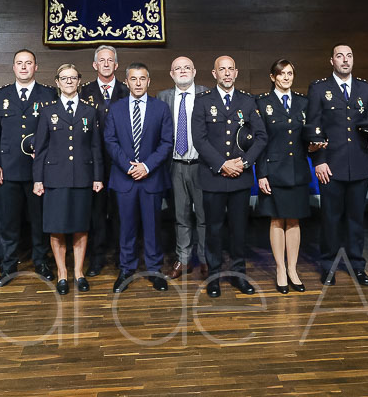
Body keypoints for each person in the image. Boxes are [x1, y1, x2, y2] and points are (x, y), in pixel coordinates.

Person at [306, 44, 368, 287]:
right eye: (340, 56)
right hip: (331, 165)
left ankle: (357, 265)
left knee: (356, 220)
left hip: (359, 163)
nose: (345, 60)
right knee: (330, 219)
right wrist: (318, 162)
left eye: (349, 56)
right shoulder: (319, 88)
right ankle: (328, 265)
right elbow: (313, 128)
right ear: (332, 60)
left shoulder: (365, 87)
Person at [192, 56, 268, 298]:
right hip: (214, 177)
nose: (226, 74)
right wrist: (222, 164)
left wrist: (244, 163)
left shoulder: (247, 101)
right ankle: (214, 276)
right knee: (213, 230)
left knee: (239, 230)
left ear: (236, 73)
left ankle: (238, 275)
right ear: (214, 74)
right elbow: (199, 139)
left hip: (240, 178)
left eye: (230, 69)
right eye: (221, 69)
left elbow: (261, 136)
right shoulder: (203, 101)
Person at [0, 49, 56, 286]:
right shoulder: (0, 95)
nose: (24, 67)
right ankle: (8, 266)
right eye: (19, 63)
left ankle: (41, 261)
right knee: (9, 221)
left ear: (36, 67)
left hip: (39, 172)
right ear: (13, 68)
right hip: (8, 170)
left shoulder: (48, 93)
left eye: (28, 63)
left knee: (39, 220)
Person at [32, 64, 104, 295]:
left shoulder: (90, 111)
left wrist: (98, 177)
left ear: (79, 81)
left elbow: (96, 147)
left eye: (73, 78)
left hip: (82, 176)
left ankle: (79, 272)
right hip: (55, 177)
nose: (69, 82)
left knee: (80, 228)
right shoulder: (47, 111)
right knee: (57, 228)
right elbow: (40, 149)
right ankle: (62, 274)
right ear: (57, 82)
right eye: (65, 78)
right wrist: (38, 179)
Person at [103, 62, 174, 293]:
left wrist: (146, 166)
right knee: (126, 226)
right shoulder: (116, 108)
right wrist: (128, 166)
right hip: (124, 179)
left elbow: (166, 143)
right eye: (133, 79)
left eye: (142, 78)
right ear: (127, 82)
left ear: (149, 81)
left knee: (153, 226)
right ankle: (126, 269)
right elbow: (110, 141)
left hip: (151, 178)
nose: (138, 83)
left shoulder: (160, 108)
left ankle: (154, 269)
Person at [254, 59, 310, 294]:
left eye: (289, 73)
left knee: (294, 220)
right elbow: (259, 141)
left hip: (296, 169)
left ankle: (293, 269)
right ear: (272, 77)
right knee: (277, 219)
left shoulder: (303, 102)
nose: (286, 77)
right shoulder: (262, 103)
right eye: (281, 74)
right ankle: (279, 269)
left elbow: (309, 135)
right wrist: (262, 173)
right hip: (274, 170)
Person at [157, 56, 208, 279]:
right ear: (171, 73)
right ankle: (183, 259)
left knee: (205, 216)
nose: (183, 71)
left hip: (202, 166)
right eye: (178, 68)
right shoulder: (163, 97)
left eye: (187, 67)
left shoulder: (207, 94)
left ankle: (206, 259)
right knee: (181, 216)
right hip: (175, 165)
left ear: (194, 71)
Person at [79, 45, 129, 276]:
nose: (106, 64)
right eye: (102, 60)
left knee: (121, 212)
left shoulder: (127, 91)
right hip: (94, 163)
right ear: (94, 65)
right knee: (96, 212)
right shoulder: (83, 92)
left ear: (116, 65)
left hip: (121, 162)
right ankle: (97, 258)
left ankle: (123, 256)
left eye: (110, 60)